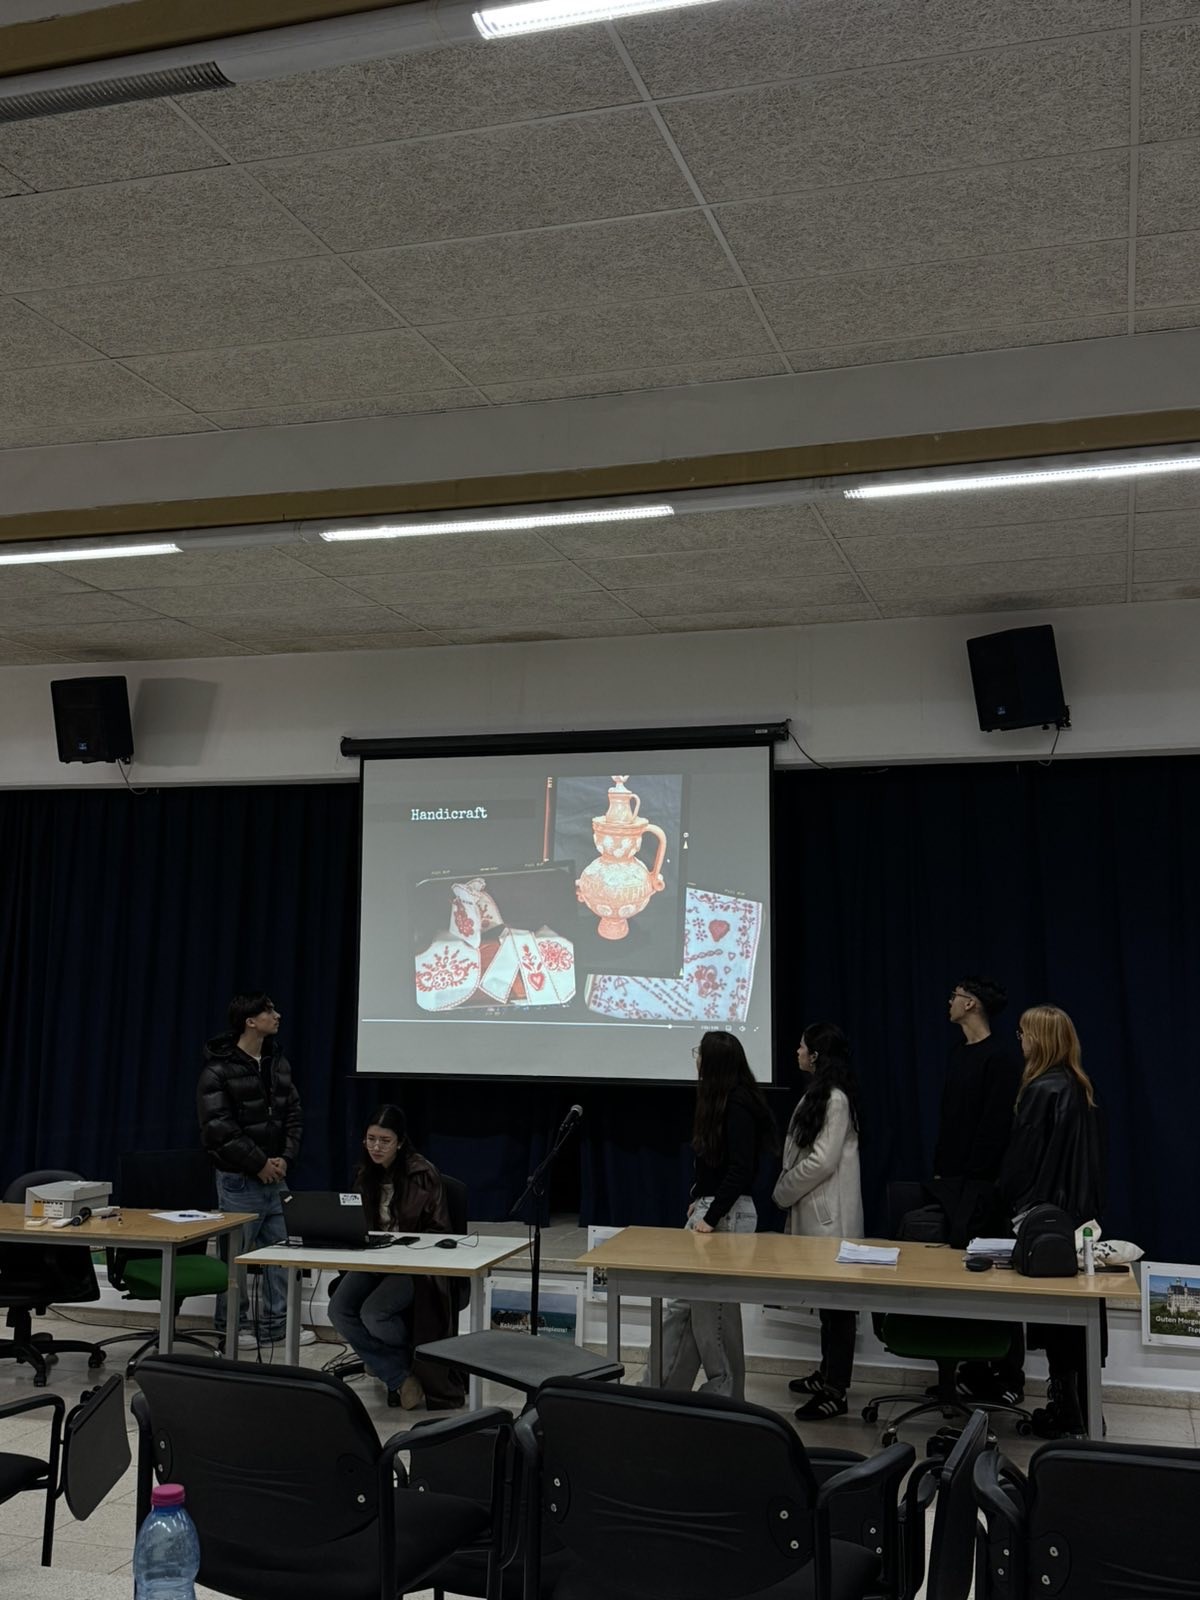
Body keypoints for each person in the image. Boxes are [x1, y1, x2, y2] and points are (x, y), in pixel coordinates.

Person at [999, 1004, 1106, 1438]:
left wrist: (1003, 1195)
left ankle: (1067, 1412)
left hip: (1041, 1216)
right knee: (1075, 1320)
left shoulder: (1041, 1089)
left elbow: (1021, 1161)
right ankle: (1081, 1410)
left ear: (1039, 1039)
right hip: (1078, 1218)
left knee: (1053, 1319)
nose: (1020, 1041)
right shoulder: (1081, 1087)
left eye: (1024, 1033)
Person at [653, 1031, 777, 1400]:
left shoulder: (737, 1104)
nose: (696, 1059)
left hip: (726, 1217)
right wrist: (700, 1200)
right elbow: (716, 1166)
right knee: (684, 1308)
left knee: (714, 1317)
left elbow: (740, 1170)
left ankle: (725, 1397)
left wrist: (711, 1214)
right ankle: (660, 1392)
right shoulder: (724, 1101)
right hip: (714, 1210)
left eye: (700, 1053)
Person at [197, 991, 314, 1349]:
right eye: (268, 1011)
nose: (277, 1015)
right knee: (235, 1257)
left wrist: (285, 1159)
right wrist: (258, 1163)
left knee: (283, 1253)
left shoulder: (278, 1063)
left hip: (276, 1177)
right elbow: (218, 1129)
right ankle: (233, 1326)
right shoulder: (218, 1070)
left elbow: (293, 1116)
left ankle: (277, 1325)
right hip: (239, 1180)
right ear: (250, 1021)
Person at [328, 1105, 465, 1410]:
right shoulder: (364, 1174)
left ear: (400, 1142)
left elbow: (439, 1231)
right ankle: (401, 1376)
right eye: (371, 1139)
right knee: (338, 1309)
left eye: (384, 1141)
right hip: (374, 1259)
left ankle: (388, 1365)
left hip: (414, 1266)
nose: (376, 1147)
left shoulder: (422, 1174)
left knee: (373, 1313)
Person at [774, 1024, 863, 1420]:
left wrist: (784, 1189)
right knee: (828, 1305)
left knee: (838, 1307)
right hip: (818, 1215)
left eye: (803, 1046)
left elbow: (823, 1161)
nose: (797, 1052)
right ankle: (827, 1373)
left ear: (817, 1055)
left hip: (831, 1220)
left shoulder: (836, 1099)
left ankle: (835, 1391)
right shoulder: (821, 1094)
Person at [931, 976, 1023, 1243]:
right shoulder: (958, 1053)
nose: (950, 1002)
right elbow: (950, 1115)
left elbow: (996, 1123)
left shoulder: (1000, 1057)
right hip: (950, 1178)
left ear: (970, 1003)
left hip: (980, 1182)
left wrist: (977, 1175)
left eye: (955, 996)